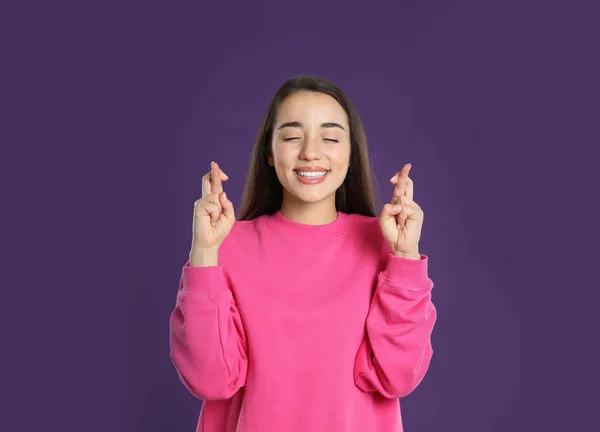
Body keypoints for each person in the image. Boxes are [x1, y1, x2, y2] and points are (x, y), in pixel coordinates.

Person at [169, 75, 437, 432]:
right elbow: (209, 379)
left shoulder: (385, 243)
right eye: (293, 136)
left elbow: (397, 377)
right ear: (269, 151)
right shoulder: (225, 245)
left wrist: (404, 256)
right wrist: (203, 251)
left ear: (351, 152)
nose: (311, 152)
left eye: (330, 137)